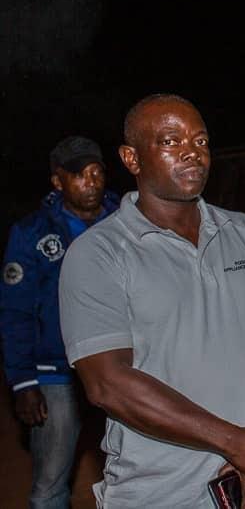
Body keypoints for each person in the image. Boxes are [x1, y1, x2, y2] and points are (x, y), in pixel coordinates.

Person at [58, 94, 245, 509]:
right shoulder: (98, 253)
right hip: (160, 494)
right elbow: (107, 384)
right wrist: (234, 443)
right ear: (131, 159)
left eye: (201, 141)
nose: (192, 151)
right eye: (171, 141)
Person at [1, 136, 119, 509]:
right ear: (58, 181)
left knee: (138, 470)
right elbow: (15, 311)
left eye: (97, 171)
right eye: (79, 174)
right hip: (56, 372)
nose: (91, 181)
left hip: (122, 365)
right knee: (51, 481)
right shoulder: (32, 234)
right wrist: (23, 381)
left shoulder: (126, 220)